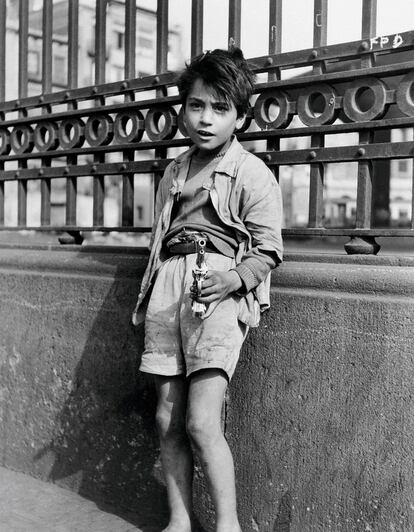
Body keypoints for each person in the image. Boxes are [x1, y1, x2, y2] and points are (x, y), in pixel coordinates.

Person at [132, 47, 283, 532]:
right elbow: (160, 240)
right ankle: (179, 521)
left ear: (240, 116)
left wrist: (233, 279)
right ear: (182, 109)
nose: (206, 118)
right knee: (166, 419)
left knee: (201, 422)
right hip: (168, 289)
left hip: (216, 292)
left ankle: (229, 526)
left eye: (220, 109)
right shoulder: (174, 172)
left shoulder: (252, 173)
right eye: (196, 105)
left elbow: (269, 249)